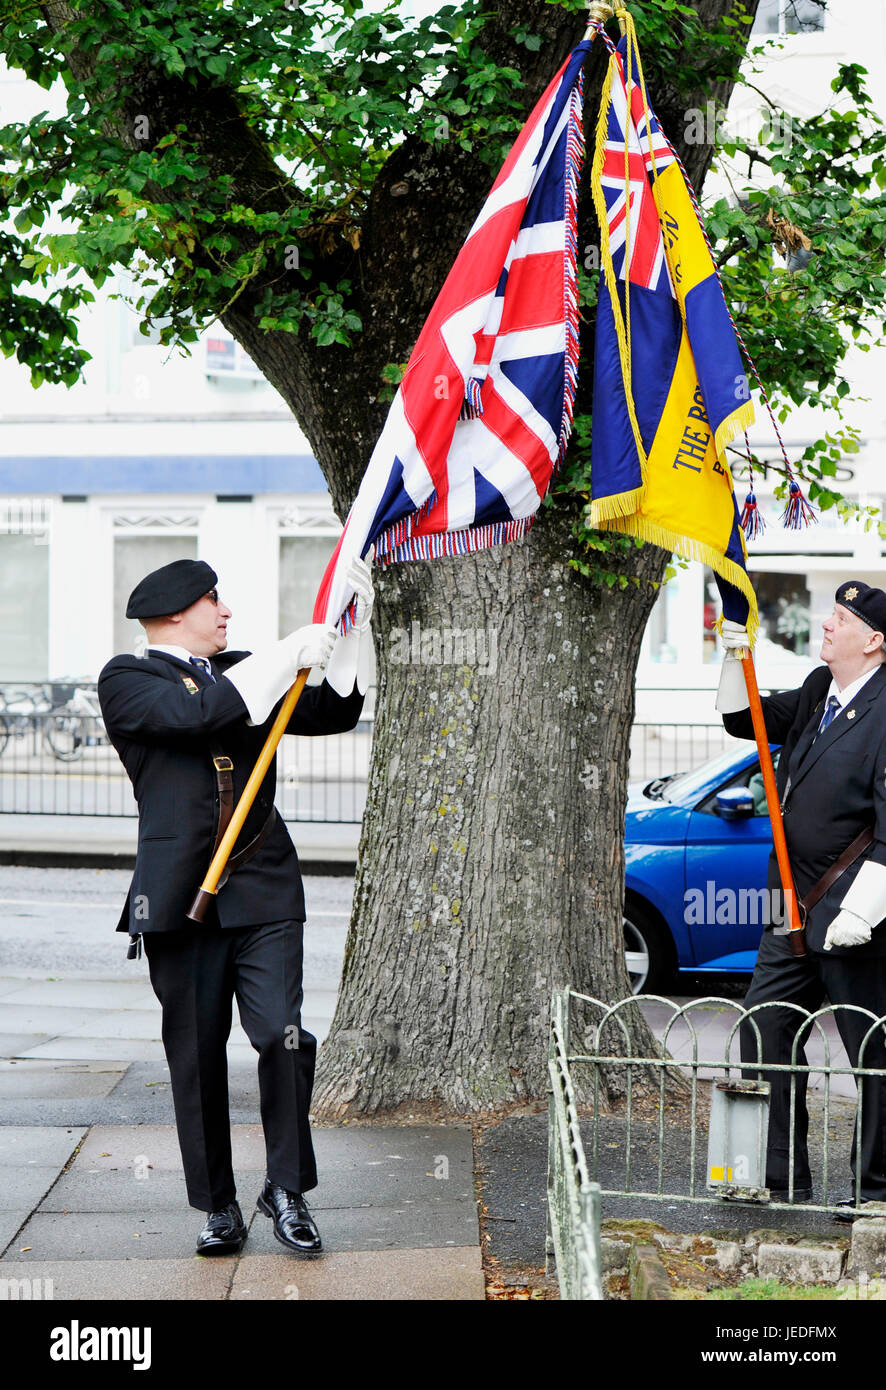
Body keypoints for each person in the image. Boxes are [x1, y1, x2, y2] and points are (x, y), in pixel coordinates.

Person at [98, 555, 374, 1256]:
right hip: (176, 901)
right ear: (173, 614)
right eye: (212, 603)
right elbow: (198, 714)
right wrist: (285, 653)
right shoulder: (128, 680)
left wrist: (351, 636)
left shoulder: (246, 671)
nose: (226, 614)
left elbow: (334, 710)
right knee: (195, 1056)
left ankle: (287, 1188)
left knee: (283, 1036)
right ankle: (218, 1204)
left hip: (262, 890)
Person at [717, 580, 886, 1215]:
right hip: (787, 909)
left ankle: (876, 1194)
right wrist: (734, 654)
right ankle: (780, 1180)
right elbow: (745, 721)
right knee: (765, 1030)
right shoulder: (820, 691)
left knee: (872, 1056)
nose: (826, 624)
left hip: (857, 915)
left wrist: (862, 908)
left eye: (839, 618)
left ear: (874, 642)